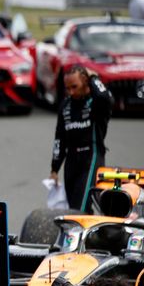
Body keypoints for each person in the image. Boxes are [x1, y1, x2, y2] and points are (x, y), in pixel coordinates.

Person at [49, 65, 112, 212]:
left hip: (91, 157)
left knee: (79, 209)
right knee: (74, 208)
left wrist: (93, 77)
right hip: (71, 161)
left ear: (85, 82)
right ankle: (91, 235)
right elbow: (60, 138)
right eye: (68, 88)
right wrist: (54, 169)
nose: (71, 92)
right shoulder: (65, 105)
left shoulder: (97, 103)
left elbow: (104, 96)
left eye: (74, 87)